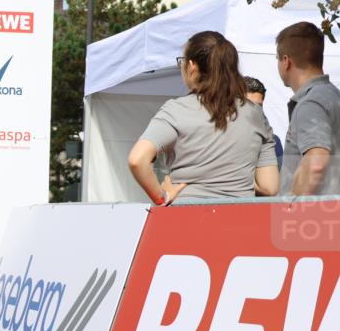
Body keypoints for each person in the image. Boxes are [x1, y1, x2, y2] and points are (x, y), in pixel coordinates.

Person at [127, 31, 279, 203]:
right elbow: (269, 186)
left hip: (187, 218)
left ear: (192, 66)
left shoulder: (175, 110)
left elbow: (137, 160)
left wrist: (163, 197)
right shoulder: (255, 113)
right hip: (240, 219)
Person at [276, 21, 340, 195]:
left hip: (311, 217)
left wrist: (290, 207)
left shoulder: (311, 104)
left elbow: (316, 163)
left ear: (286, 61)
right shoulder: (334, 97)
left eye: (278, 58)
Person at [243, 76, 285, 169]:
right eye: (247, 105)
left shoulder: (274, 142)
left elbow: (280, 179)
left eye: (258, 106)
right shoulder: (223, 141)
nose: (253, 111)